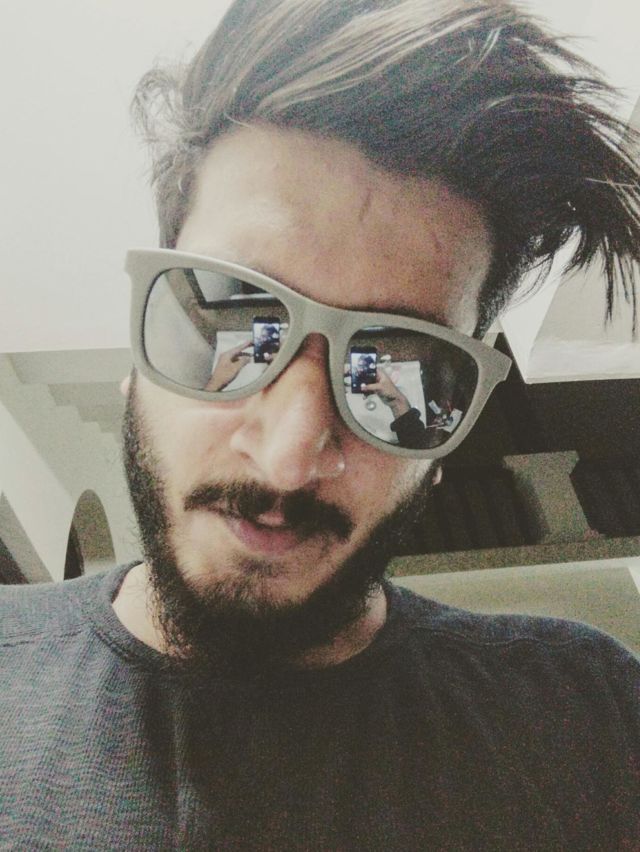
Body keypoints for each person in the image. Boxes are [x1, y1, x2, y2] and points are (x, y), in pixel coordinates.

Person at [2, 1, 640, 848]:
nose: (290, 455)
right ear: (136, 366)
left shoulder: (586, 716)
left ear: (440, 455)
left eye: (401, 370)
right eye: (233, 322)